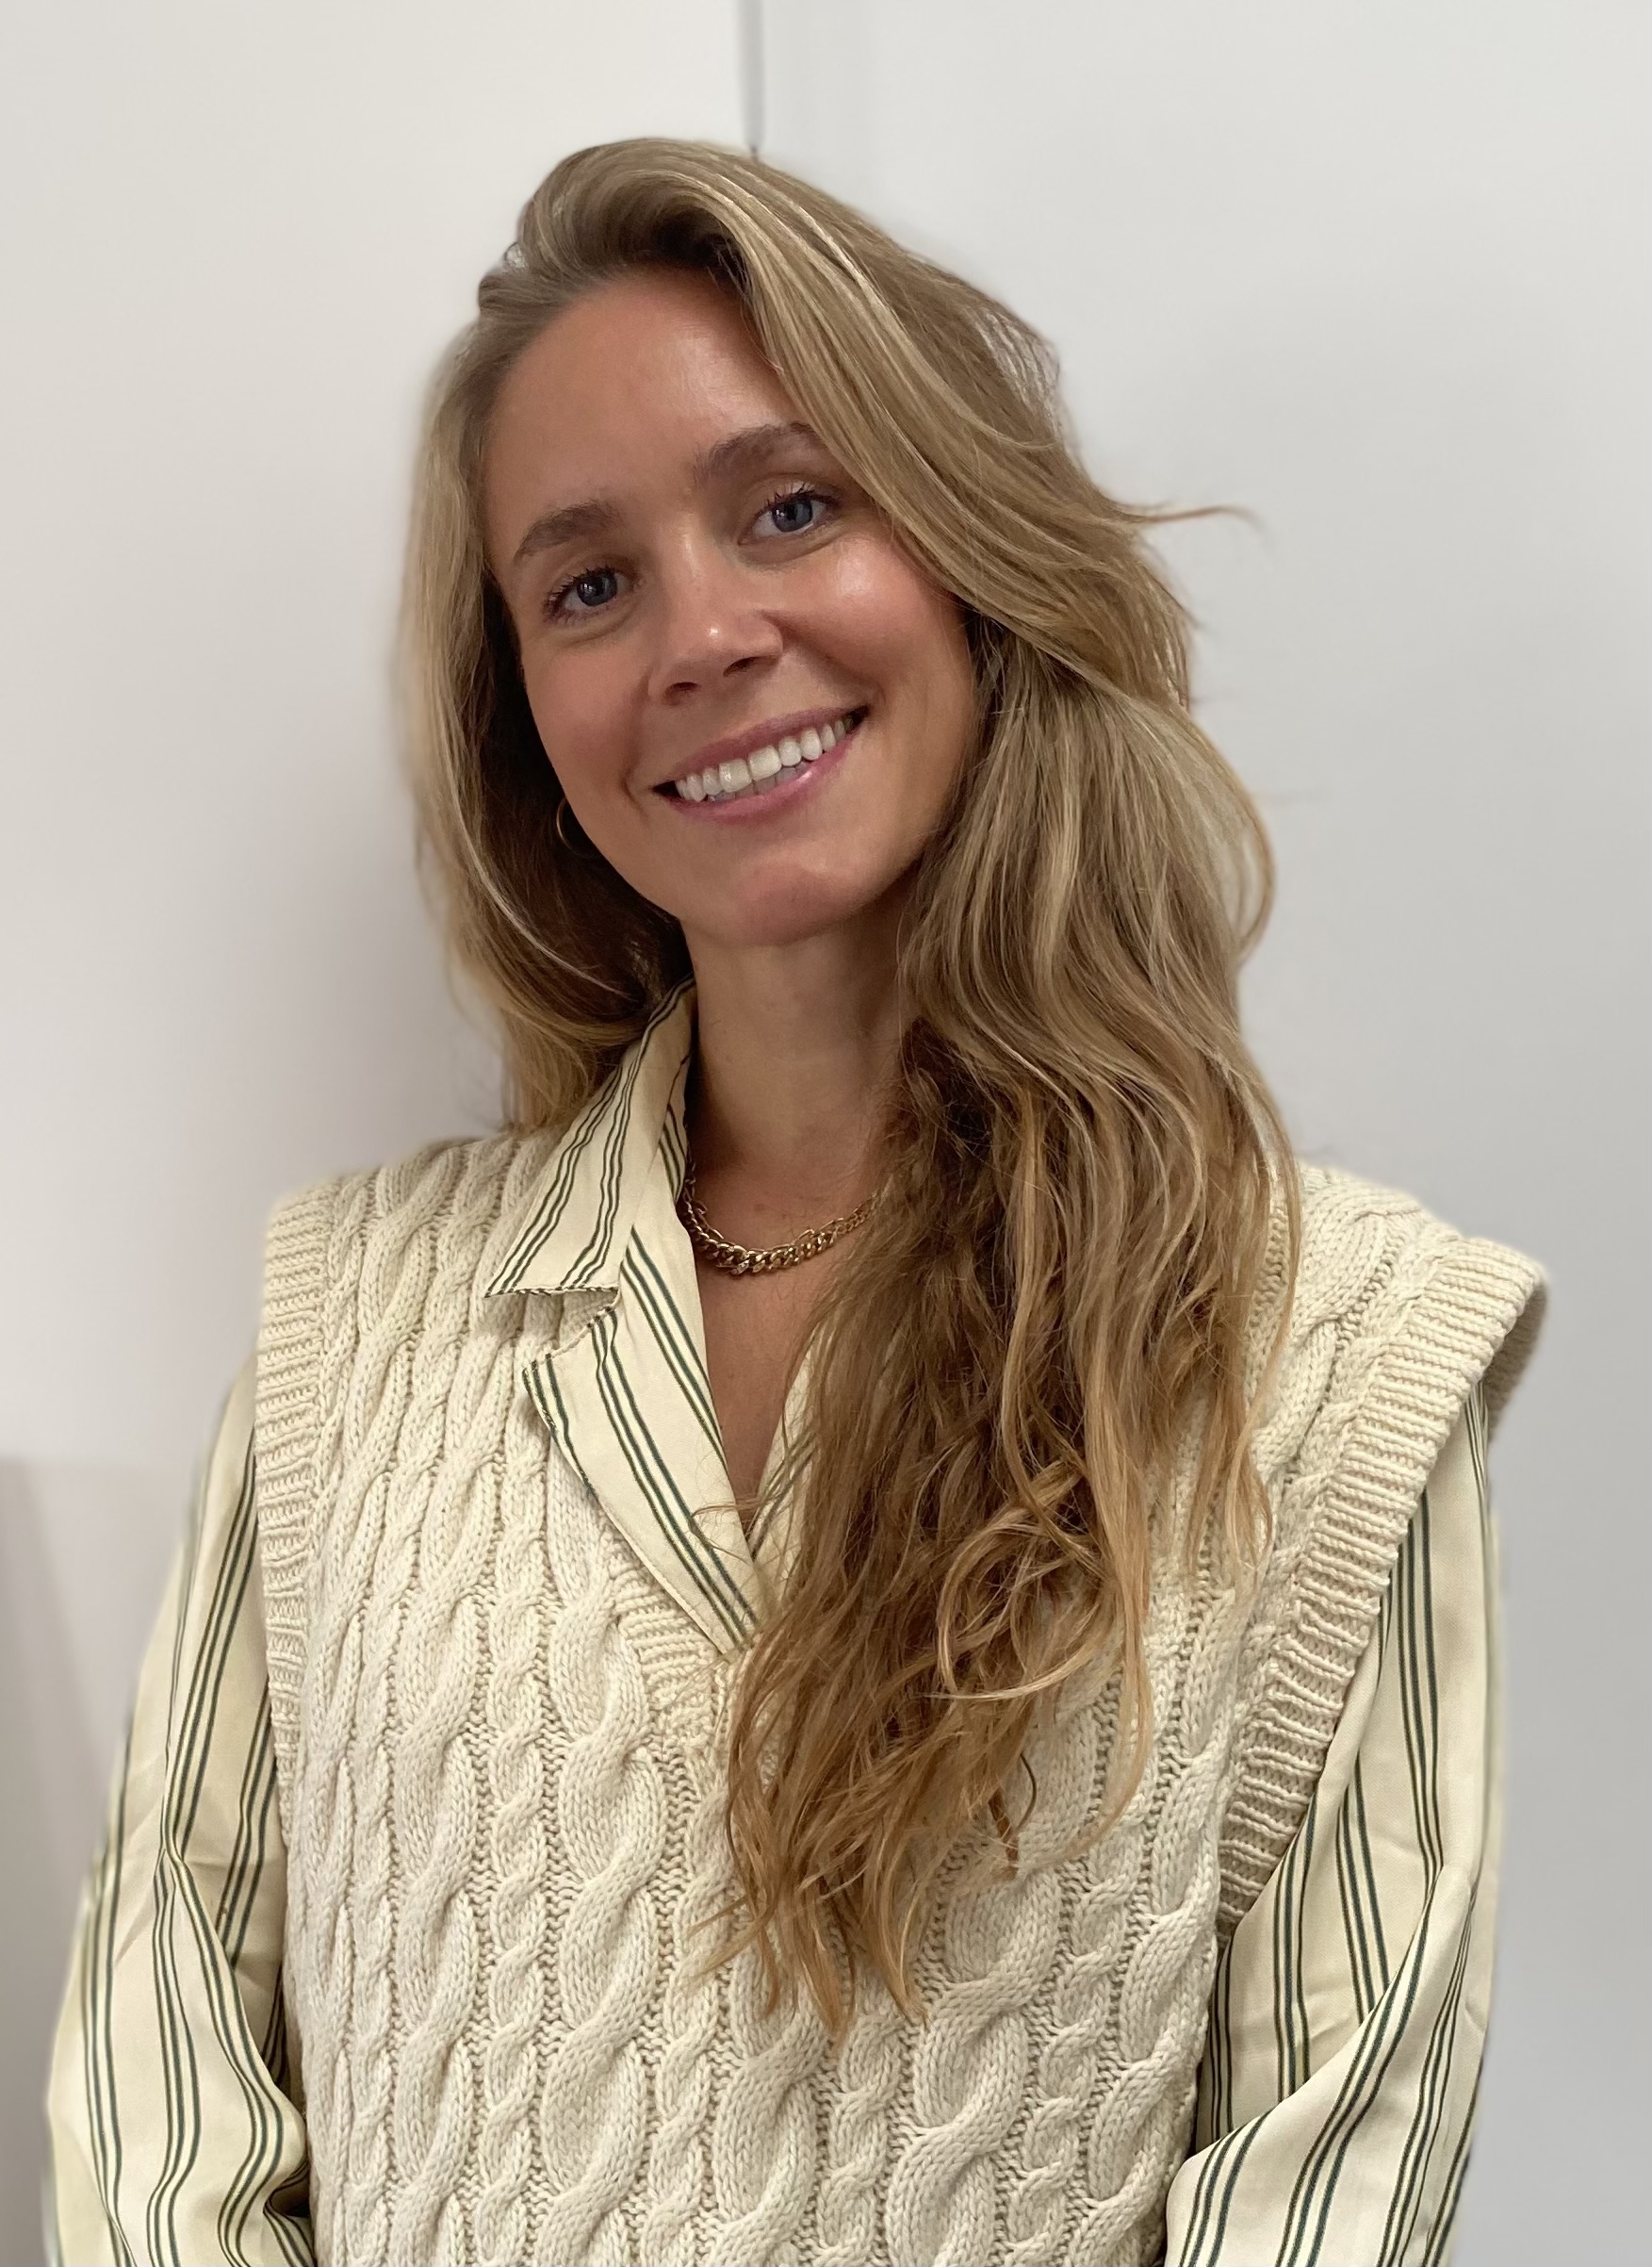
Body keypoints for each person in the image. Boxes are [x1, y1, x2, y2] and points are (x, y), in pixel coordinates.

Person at [44, 138, 1545, 2267]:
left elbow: (1334, 2174)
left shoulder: (1337, 1353)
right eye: (585, 584)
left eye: (788, 505)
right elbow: (165, 2074)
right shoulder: (348, 1322)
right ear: (523, 721)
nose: (704, 634)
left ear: (964, 548)